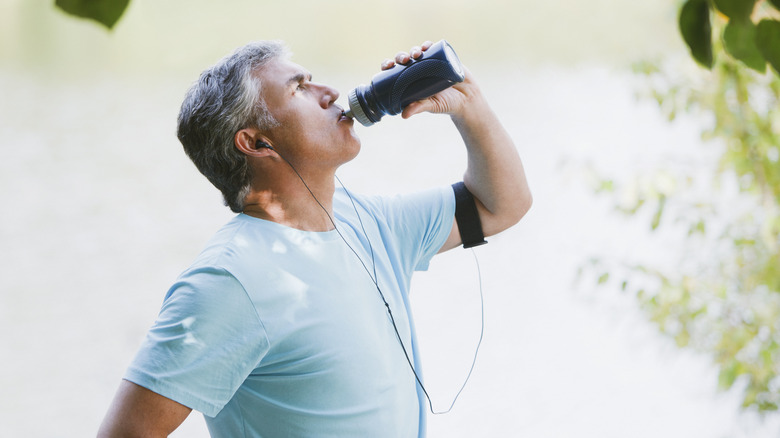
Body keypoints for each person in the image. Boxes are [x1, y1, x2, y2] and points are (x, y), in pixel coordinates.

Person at [97, 39, 532, 438]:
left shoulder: (368, 220)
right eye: (299, 88)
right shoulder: (230, 279)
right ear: (256, 141)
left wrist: (468, 105)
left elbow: (501, 204)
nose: (329, 92)